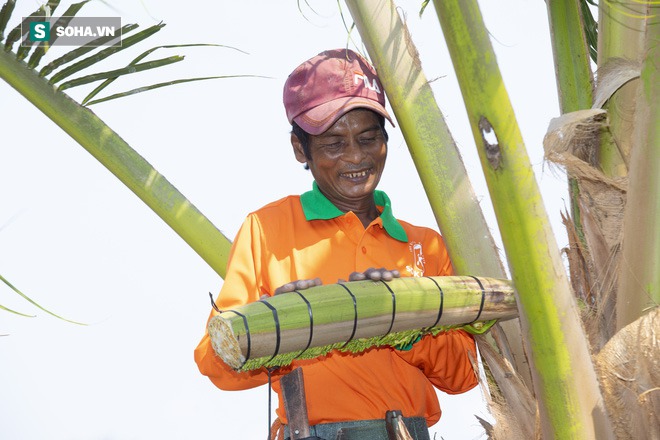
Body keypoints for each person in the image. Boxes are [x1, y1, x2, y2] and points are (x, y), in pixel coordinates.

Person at [195, 48, 478, 440]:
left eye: (368, 138)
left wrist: (405, 319)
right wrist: (275, 324)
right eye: (333, 144)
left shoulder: (425, 246)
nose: (356, 156)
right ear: (300, 150)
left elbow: (466, 375)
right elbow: (215, 363)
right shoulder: (267, 229)